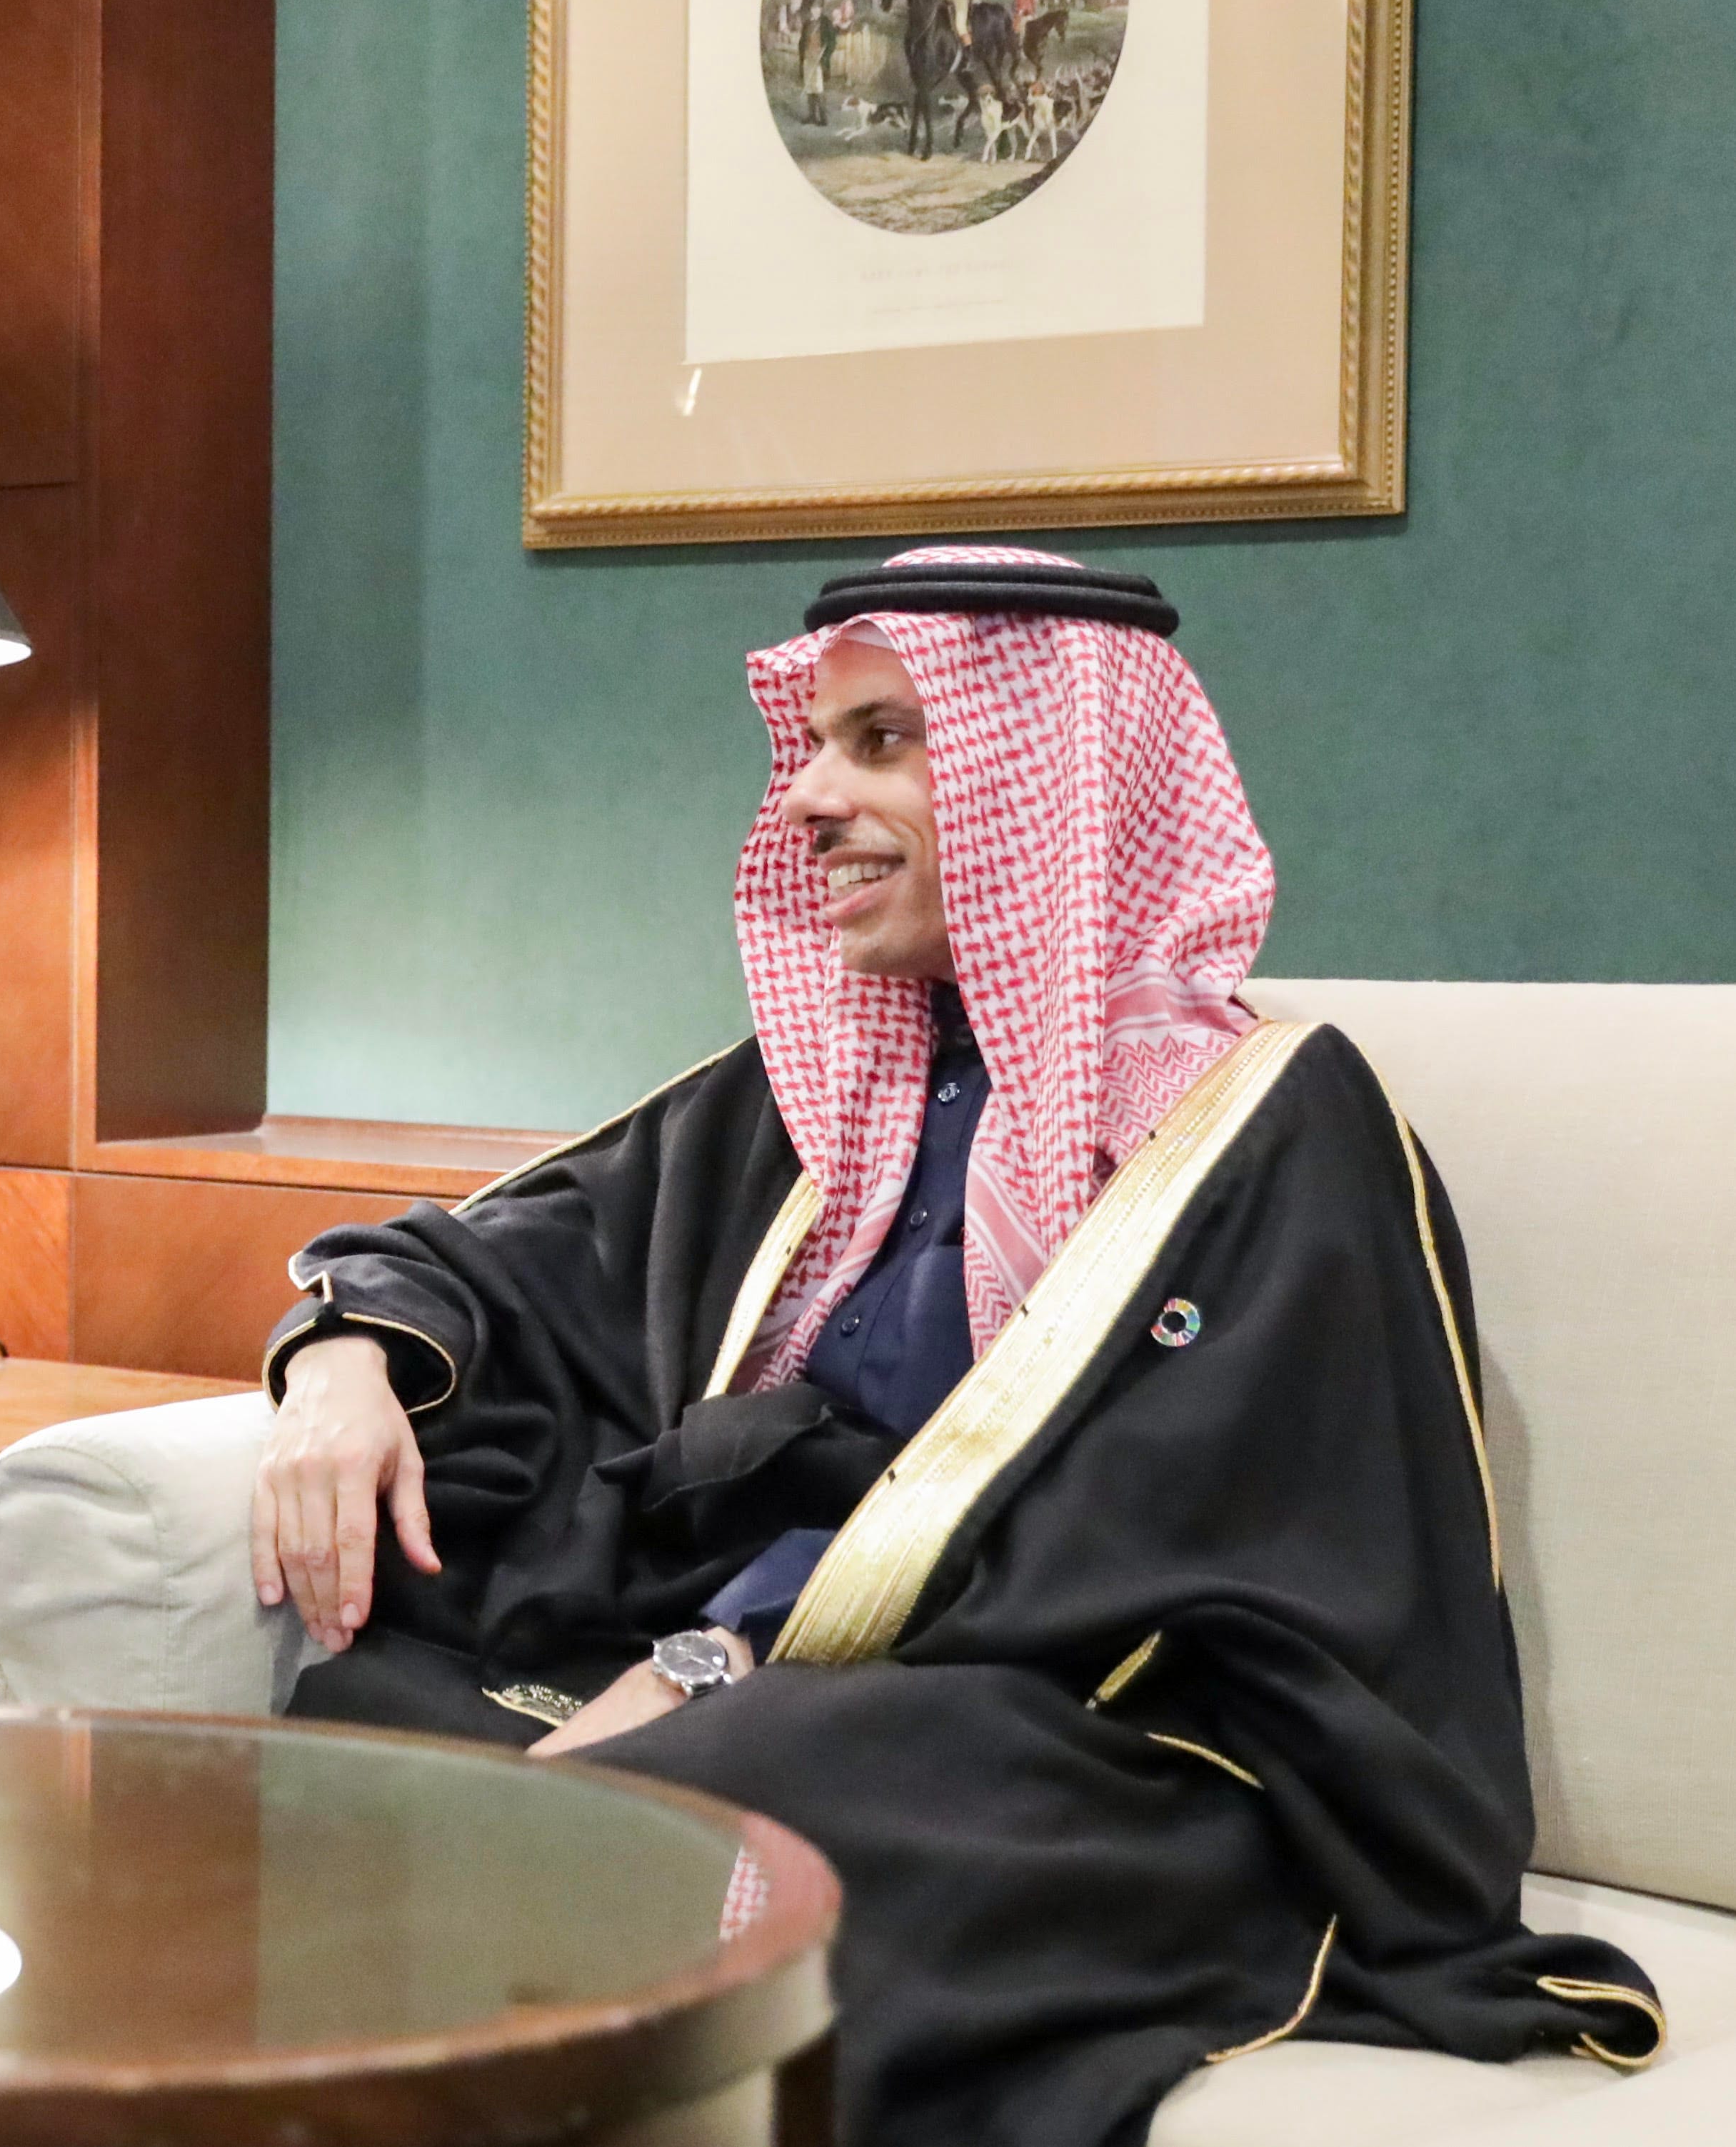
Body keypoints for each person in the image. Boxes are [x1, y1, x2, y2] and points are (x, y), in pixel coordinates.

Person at [248, 546, 1663, 2144]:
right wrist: (345, 1364)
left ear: (1046, 777)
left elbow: (1188, 1527)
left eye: (881, 742)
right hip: (773, 1681)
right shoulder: (817, 1087)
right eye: (813, 745)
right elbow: (503, 1253)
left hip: (1074, 1721)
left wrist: (712, 1662)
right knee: (383, 1707)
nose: (805, 799)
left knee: (767, 1798)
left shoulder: (1260, 1121)